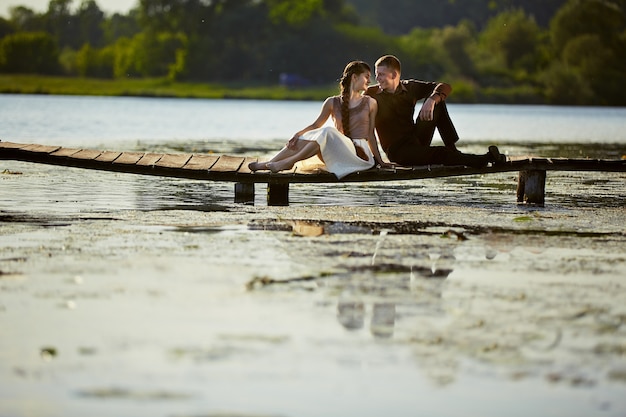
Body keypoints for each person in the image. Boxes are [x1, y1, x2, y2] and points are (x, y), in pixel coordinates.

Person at [249, 61, 392, 179]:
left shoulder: (370, 103)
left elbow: (371, 135)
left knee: (327, 132)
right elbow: (316, 125)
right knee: (312, 136)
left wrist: (380, 161)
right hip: (338, 151)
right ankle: (268, 163)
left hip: (360, 157)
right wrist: (298, 135)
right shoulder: (331, 102)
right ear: (355, 77)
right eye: (366, 76)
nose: (369, 80)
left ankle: (289, 162)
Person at [365, 55, 505, 168]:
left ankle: (452, 148)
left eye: (381, 74)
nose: (377, 79)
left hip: (416, 139)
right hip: (399, 152)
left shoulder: (411, 87)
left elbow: (444, 86)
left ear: (394, 74)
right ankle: (486, 159)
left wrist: (431, 99)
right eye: (377, 74)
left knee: (438, 101)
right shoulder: (371, 94)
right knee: (441, 153)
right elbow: (348, 99)